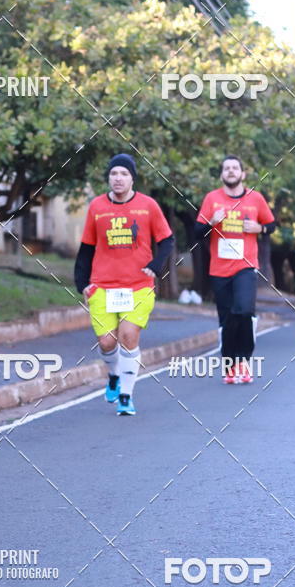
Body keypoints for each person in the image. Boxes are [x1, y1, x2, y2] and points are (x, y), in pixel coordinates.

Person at [74, 154, 174, 415]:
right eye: (114, 174)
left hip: (138, 285)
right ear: (109, 178)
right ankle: (114, 375)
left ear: (132, 178)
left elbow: (167, 241)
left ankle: (126, 396)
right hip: (103, 285)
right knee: (107, 342)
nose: (118, 178)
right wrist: (81, 283)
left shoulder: (148, 206)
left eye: (123, 174)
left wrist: (155, 266)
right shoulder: (97, 206)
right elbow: (86, 248)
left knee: (128, 336)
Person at [194, 156, 276, 384]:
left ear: (242, 174)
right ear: (221, 175)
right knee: (227, 317)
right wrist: (211, 221)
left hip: (246, 266)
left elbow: (272, 225)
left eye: (235, 168)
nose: (231, 172)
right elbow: (197, 233)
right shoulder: (212, 199)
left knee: (244, 311)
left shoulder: (255, 198)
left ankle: (244, 362)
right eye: (226, 169)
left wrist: (260, 228)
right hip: (219, 269)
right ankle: (230, 365)